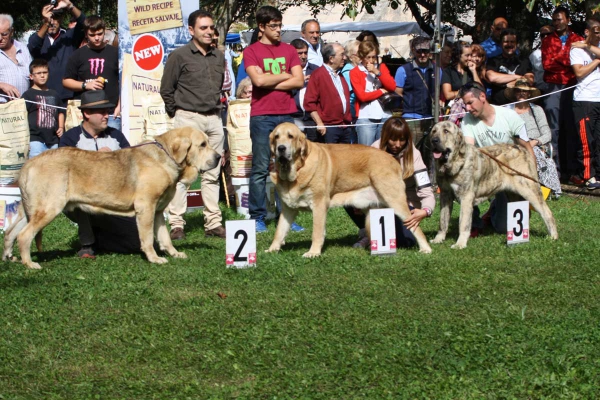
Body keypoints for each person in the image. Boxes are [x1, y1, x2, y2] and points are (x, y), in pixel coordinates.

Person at [160, 10, 227, 240]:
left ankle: (213, 223)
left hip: (214, 119)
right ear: (191, 30)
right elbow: (166, 89)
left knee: (213, 173)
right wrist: (178, 114)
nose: (209, 32)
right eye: (203, 28)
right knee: (183, 174)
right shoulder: (179, 55)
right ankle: (177, 224)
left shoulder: (219, 56)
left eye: (211, 27)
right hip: (188, 119)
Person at [244, 5, 303, 233]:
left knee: (286, 166)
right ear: (261, 27)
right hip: (262, 116)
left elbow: (299, 81)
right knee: (260, 168)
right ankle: (257, 216)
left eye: (280, 25)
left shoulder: (289, 50)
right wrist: (286, 74)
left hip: (286, 114)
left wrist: (270, 78)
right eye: (273, 26)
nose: (278, 30)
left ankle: (286, 215)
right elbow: (257, 82)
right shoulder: (251, 52)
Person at [59, 90, 140, 258]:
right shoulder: (70, 138)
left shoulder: (116, 136)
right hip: (81, 198)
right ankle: (87, 244)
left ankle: (100, 239)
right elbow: (64, 174)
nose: (107, 115)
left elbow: (133, 167)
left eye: (108, 111)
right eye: (102, 112)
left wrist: (114, 160)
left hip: (114, 199)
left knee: (138, 243)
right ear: (87, 113)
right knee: (80, 194)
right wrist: (96, 160)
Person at [347, 117, 435, 249]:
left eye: (402, 139)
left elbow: (426, 191)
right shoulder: (373, 150)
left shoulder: (414, 155)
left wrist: (426, 211)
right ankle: (367, 231)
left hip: (405, 203)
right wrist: (358, 201)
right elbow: (359, 180)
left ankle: (377, 233)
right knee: (348, 198)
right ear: (385, 137)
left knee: (405, 243)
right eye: (393, 139)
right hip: (378, 201)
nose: (398, 144)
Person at [459, 82, 535, 235]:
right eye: (465, 104)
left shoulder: (509, 116)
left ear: (482, 96)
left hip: (510, 174)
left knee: (502, 228)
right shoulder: (467, 120)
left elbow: (527, 148)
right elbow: (469, 150)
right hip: (485, 173)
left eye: (470, 103)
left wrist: (532, 178)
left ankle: (495, 207)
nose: (467, 108)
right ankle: (474, 223)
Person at [541, 6, 583, 181]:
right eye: (554, 19)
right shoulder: (548, 40)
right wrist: (569, 59)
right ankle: (555, 171)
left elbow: (580, 65)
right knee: (554, 129)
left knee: (572, 127)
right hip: (553, 87)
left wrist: (560, 58)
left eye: (560, 19)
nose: (556, 23)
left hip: (573, 87)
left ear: (568, 20)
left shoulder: (578, 39)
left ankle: (572, 171)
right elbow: (547, 64)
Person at [62, 16, 121, 130]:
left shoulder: (115, 53)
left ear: (104, 31)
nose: (97, 38)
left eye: (100, 34)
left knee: (111, 147)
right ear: (86, 34)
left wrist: (120, 106)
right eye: (92, 35)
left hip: (111, 114)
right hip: (86, 115)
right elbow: (66, 81)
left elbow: (124, 81)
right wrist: (85, 85)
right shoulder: (77, 55)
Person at [507, 79, 562, 196]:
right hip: (514, 143)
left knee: (533, 153)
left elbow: (547, 133)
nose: (521, 93)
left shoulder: (537, 110)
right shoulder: (508, 110)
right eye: (518, 91)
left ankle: (538, 187)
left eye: (524, 91)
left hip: (536, 144)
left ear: (529, 94)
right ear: (514, 93)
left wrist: (534, 142)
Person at [28, 0, 85, 104]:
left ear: (61, 19)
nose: (52, 22)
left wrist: (70, 6)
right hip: (44, 96)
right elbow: (32, 46)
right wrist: (46, 23)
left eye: (56, 18)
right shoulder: (39, 38)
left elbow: (84, 23)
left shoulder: (69, 37)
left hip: (68, 96)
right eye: (50, 18)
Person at [394, 36, 437, 163]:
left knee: (429, 154)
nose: (422, 54)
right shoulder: (403, 70)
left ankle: (427, 181)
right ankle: (409, 181)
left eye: (425, 51)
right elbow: (398, 93)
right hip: (411, 118)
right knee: (410, 153)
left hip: (430, 118)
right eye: (419, 51)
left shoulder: (437, 69)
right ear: (413, 51)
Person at [570, 18, 600, 190]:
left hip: (599, 99)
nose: (598, 35)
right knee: (586, 140)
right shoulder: (576, 49)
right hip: (584, 100)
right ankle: (588, 175)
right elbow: (579, 72)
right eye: (595, 31)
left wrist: (588, 48)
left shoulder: (589, 47)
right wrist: (596, 61)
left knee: (599, 139)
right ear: (587, 32)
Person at [350, 40, 396, 145]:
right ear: (362, 57)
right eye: (368, 57)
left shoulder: (381, 67)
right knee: (366, 151)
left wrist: (377, 72)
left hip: (384, 114)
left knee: (383, 149)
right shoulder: (355, 72)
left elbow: (392, 86)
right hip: (366, 116)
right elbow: (362, 96)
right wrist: (380, 91)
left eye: (374, 57)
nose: (371, 60)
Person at [303, 43, 352, 143]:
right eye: (341, 55)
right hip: (329, 128)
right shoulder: (318, 75)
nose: (345, 57)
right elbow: (309, 103)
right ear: (331, 58)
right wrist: (319, 123)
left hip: (344, 127)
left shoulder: (340, 75)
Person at [22, 59, 65, 158]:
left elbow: (61, 111)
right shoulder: (28, 95)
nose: (42, 75)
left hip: (53, 139)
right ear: (31, 76)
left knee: (52, 168)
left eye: (45, 72)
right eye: (38, 73)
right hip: (35, 139)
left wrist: (61, 127)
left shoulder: (54, 94)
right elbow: (22, 116)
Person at [486, 29, 534, 105]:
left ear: (517, 44)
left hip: (519, 106)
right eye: (506, 42)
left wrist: (503, 82)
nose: (509, 44)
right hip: (499, 106)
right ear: (501, 43)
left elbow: (530, 80)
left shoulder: (524, 61)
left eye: (512, 42)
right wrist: (518, 77)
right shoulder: (493, 61)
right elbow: (492, 77)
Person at [289, 38, 319, 137]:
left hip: (312, 118)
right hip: (294, 117)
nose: (303, 56)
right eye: (300, 53)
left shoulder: (316, 70)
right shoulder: (287, 72)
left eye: (305, 53)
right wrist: (298, 82)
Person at [0, 14, 32, 103]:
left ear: (12, 32)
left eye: (4, 34)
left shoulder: (23, 48)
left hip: (23, 106)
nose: (0, 38)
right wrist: (1, 85)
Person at [530, 25, 554, 94]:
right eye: (543, 35)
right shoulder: (534, 55)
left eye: (548, 34)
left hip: (555, 90)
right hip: (538, 91)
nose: (545, 37)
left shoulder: (560, 53)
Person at [341, 39, 360, 121]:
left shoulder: (360, 69)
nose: (364, 56)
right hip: (353, 112)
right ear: (352, 57)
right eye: (360, 53)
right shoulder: (347, 73)